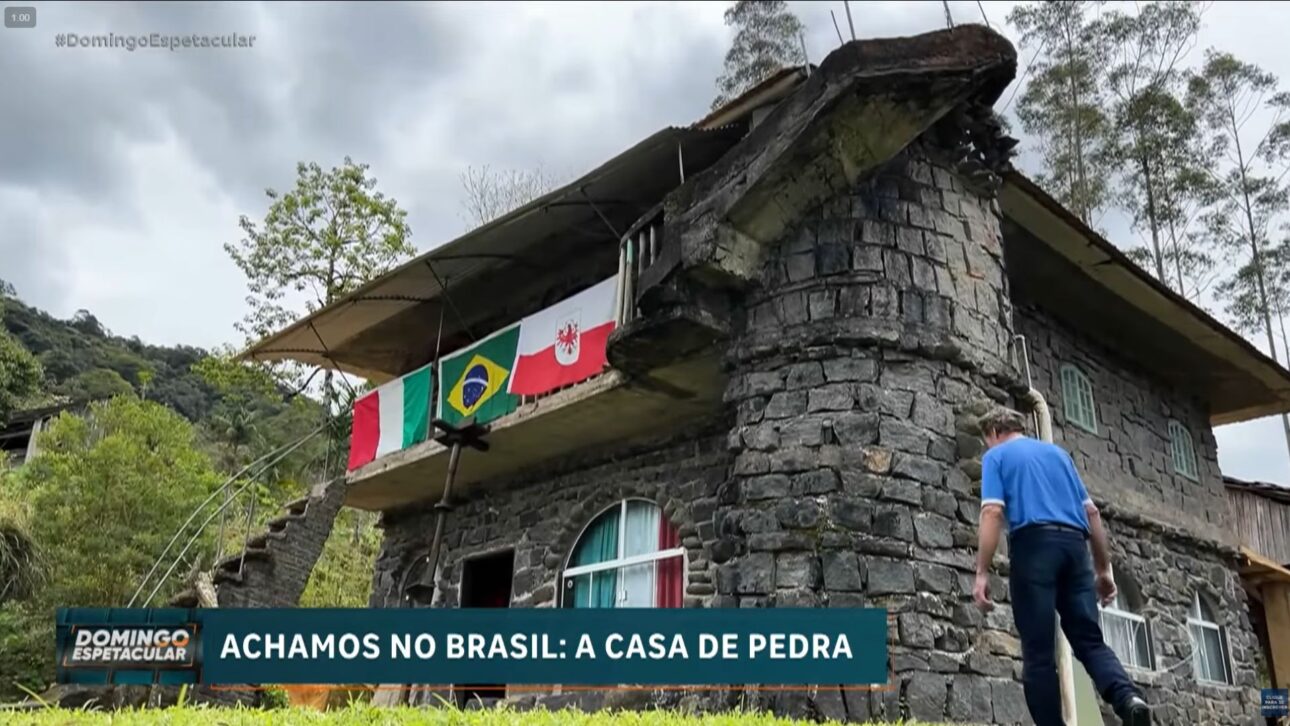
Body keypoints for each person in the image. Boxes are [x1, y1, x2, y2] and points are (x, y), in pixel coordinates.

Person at [972, 406, 1151, 726]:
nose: (988, 446)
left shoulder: (996, 457)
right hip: (1075, 548)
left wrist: (982, 572)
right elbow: (1092, 514)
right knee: (1090, 640)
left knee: (1038, 652)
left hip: (1033, 546)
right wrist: (1103, 570)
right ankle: (1129, 698)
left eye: (988, 440)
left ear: (995, 432)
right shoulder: (1060, 456)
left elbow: (992, 513)